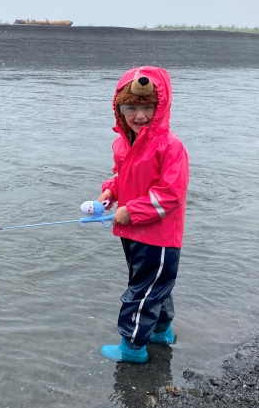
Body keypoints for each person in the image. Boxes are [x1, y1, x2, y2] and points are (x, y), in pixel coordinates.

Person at [98, 66, 189, 363]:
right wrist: (112, 191)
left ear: (160, 107)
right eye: (131, 107)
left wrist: (131, 211)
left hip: (159, 238)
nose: (139, 115)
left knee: (141, 292)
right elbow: (125, 175)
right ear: (119, 108)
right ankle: (162, 332)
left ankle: (132, 348)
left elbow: (170, 194)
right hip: (133, 232)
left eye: (147, 107)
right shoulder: (126, 143)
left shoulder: (171, 147)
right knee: (154, 285)